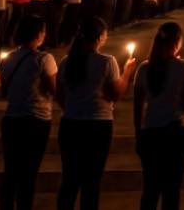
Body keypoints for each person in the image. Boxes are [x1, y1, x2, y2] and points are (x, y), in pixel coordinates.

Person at [56, 16, 137, 210]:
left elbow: (59, 94)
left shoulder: (66, 61)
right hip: (98, 125)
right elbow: (115, 94)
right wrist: (127, 72)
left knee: (70, 179)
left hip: (70, 124)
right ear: (100, 36)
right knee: (91, 181)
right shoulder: (107, 62)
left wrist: (73, 109)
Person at [133, 22, 184, 210]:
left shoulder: (143, 68)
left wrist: (139, 136)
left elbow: (137, 106)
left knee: (150, 188)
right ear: (177, 42)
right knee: (172, 189)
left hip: (150, 133)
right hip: (177, 132)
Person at [0, 14, 57, 210]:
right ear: (40, 34)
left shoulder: (8, 59)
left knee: (11, 172)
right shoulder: (44, 58)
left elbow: (4, 91)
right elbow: (53, 89)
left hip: (11, 119)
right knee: (28, 174)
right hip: (36, 120)